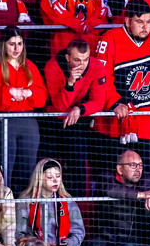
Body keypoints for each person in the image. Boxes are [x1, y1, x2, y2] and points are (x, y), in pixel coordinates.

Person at [94, 0, 150, 181]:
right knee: (111, 177)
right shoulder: (110, 38)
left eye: (149, 22)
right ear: (127, 21)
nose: (145, 27)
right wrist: (114, 103)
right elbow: (101, 76)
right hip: (116, 124)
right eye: (140, 22)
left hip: (149, 123)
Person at [43, 39, 111, 196]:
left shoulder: (96, 66)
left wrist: (80, 109)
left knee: (78, 161)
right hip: (52, 120)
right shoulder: (52, 66)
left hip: (77, 118)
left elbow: (98, 102)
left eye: (85, 59)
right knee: (48, 164)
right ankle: (45, 202)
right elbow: (60, 106)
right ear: (68, 58)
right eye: (77, 60)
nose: (82, 64)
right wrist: (70, 83)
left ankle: (76, 203)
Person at [0, 28, 47, 191]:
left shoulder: (29, 66)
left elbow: (42, 96)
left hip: (28, 121)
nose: (16, 48)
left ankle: (24, 203)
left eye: (20, 43)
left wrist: (30, 93)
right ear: (3, 45)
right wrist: (9, 92)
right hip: (5, 121)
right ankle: (4, 202)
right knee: (5, 168)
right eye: (12, 44)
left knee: (28, 167)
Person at [18, 159, 85, 246]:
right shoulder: (26, 202)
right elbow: (19, 235)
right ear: (39, 178)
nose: (55, 180)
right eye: (50, 177)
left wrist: (68, 244)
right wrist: (42, 245)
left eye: (58, 176)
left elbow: (79, 232)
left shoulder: (68, 202)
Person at [98, 150, 150, 246]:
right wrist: (141, 195)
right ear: (120, 169)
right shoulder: (106, 178)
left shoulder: (144, 178)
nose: (138, 170)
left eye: (140, 165)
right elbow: (112, 190)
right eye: (133, 165)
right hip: (112, 241)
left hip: (142, 240)